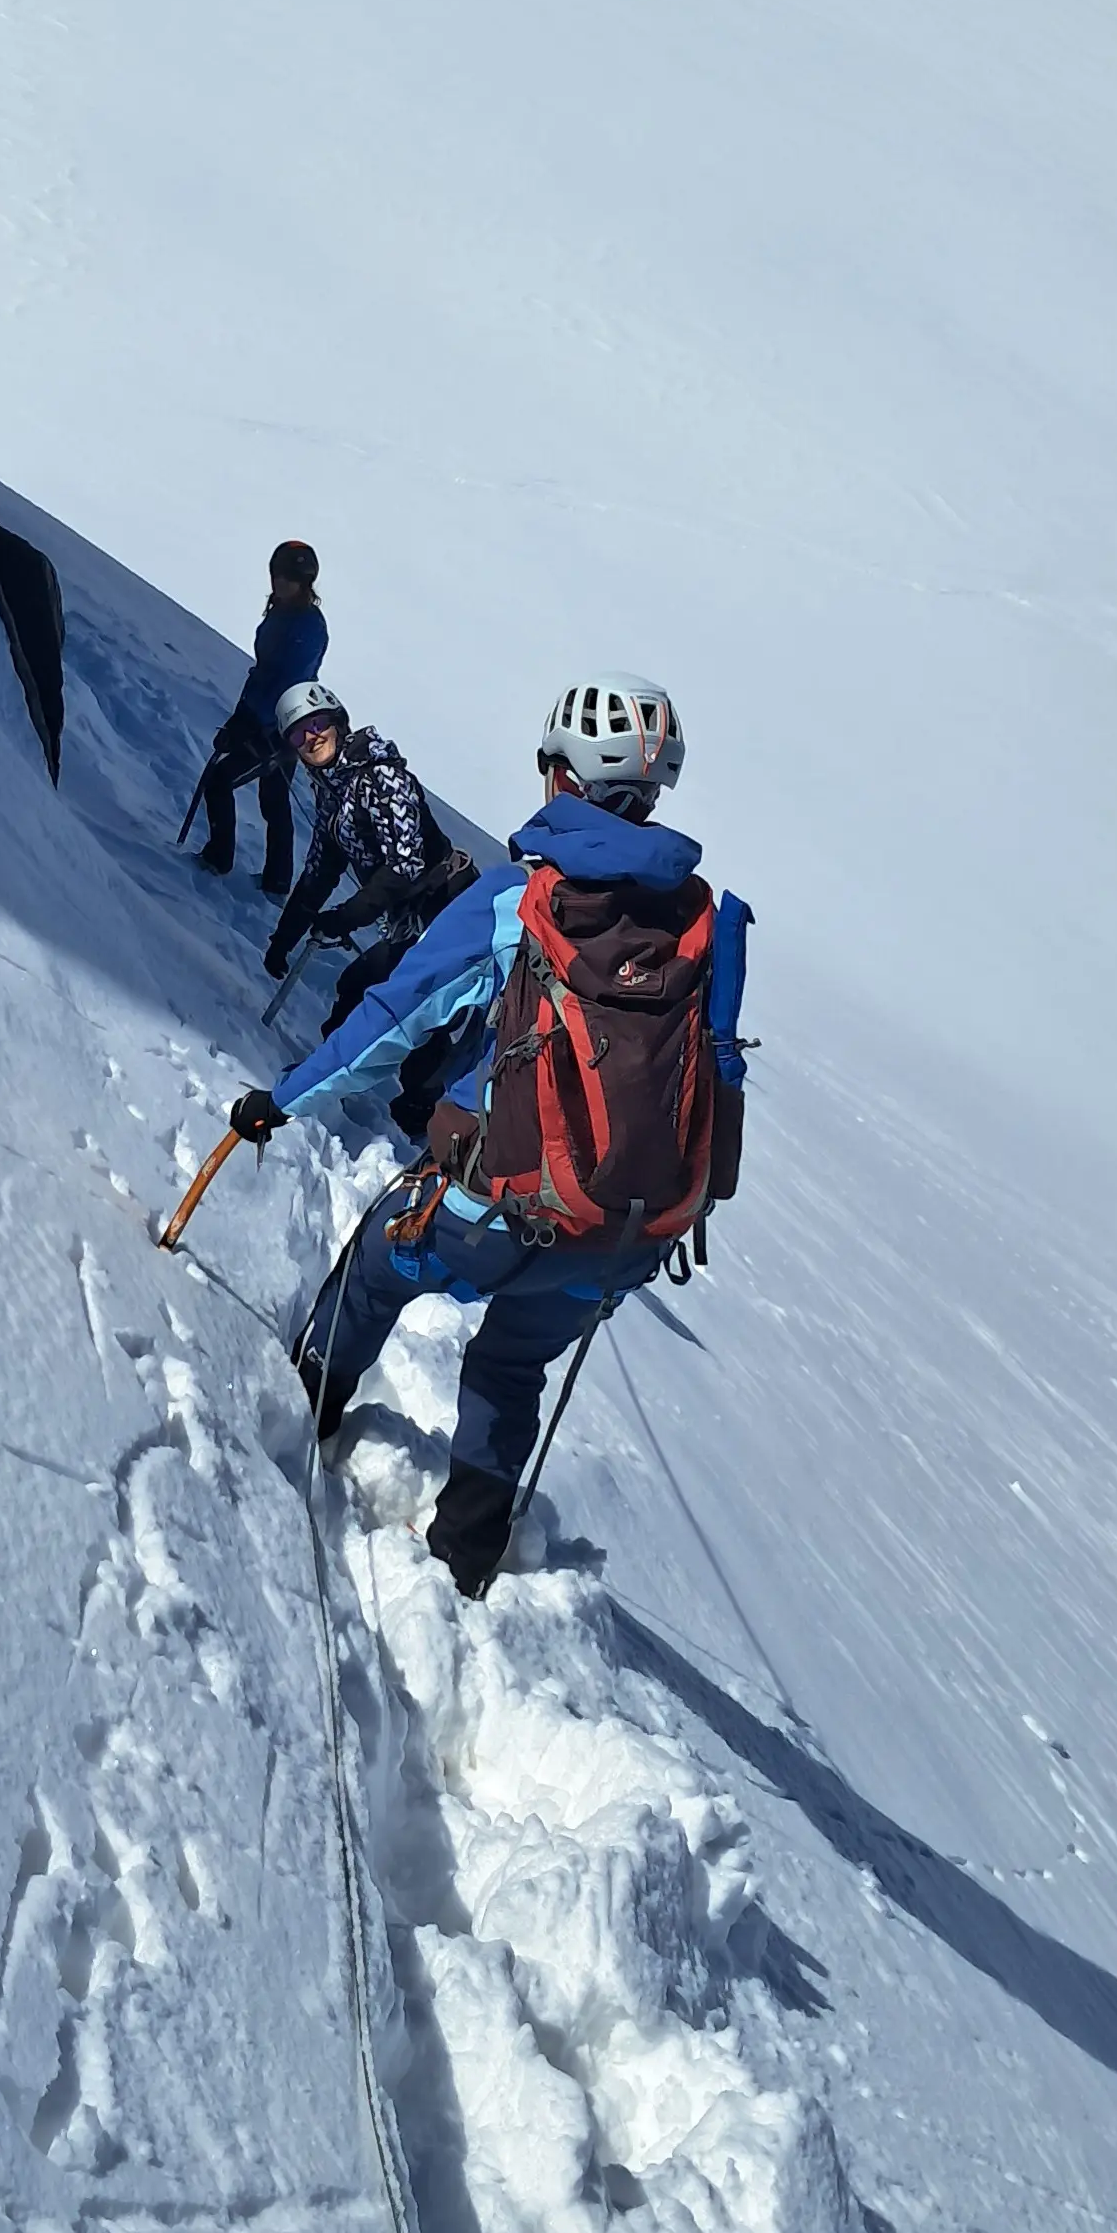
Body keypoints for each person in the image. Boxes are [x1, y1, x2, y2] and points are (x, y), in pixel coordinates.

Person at [228, 671, 751, 1598]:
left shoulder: (524, 898)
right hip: (624, 1233)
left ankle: (296, 1414)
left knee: (373, 1270)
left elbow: (393, 1020)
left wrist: (283, 1099)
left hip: (493, 1203)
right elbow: (718, 1078)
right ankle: (467, 1558)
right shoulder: (710, 926)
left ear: (563, 777)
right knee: (512, 1362)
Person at [262, 683, 476, 1031]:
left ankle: (341, 1078)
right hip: (413, 915)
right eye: (298, 735)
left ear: (338, 722)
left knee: (427, 1012)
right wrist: (284, 939)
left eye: (317, 724)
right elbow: (319, 873)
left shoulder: (382, 775)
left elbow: (406, 866)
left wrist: (347, 916)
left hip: (450, 904)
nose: (311, 738)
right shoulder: (334, 792)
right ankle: (327, 1076)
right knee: (359, 990)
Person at [197, 543, 326, 893]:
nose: (281, 583)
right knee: (274, 797)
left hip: (281, 727)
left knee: (221, 781)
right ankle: (278, 879)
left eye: (290, 578)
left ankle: (218, 858)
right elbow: (266, 674)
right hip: (279, 722)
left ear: (305, 582)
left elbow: (287, 680)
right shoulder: (283, 612)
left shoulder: (307, 626)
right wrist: (242, 717)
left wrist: (257, 726)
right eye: (278, 575)